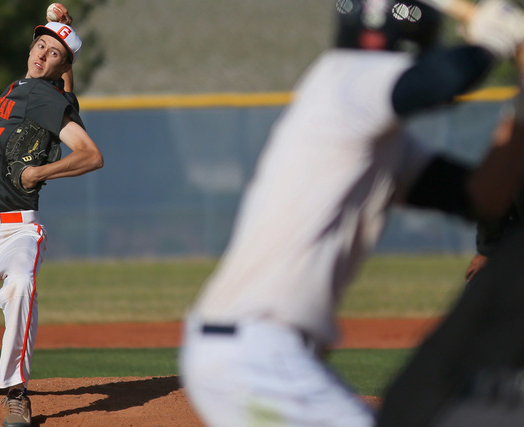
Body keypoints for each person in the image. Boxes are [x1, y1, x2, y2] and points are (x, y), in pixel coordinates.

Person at [178, 1, 524, 426]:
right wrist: (493, 40)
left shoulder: (371, 136)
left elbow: (482, 196)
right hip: (254, 356)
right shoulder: (346, 77)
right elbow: (441, 81)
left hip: (264, 356)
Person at [0, 7, 103, 427]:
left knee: (20, 290)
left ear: (61, 67)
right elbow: (64, 91)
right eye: (40, 45)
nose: (42, 55)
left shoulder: (44, 98)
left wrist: (39, 173)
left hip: (15, 229)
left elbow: (91, 155)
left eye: (53, 54)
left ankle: (15, 392)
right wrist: (60, 30)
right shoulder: (25, 88)